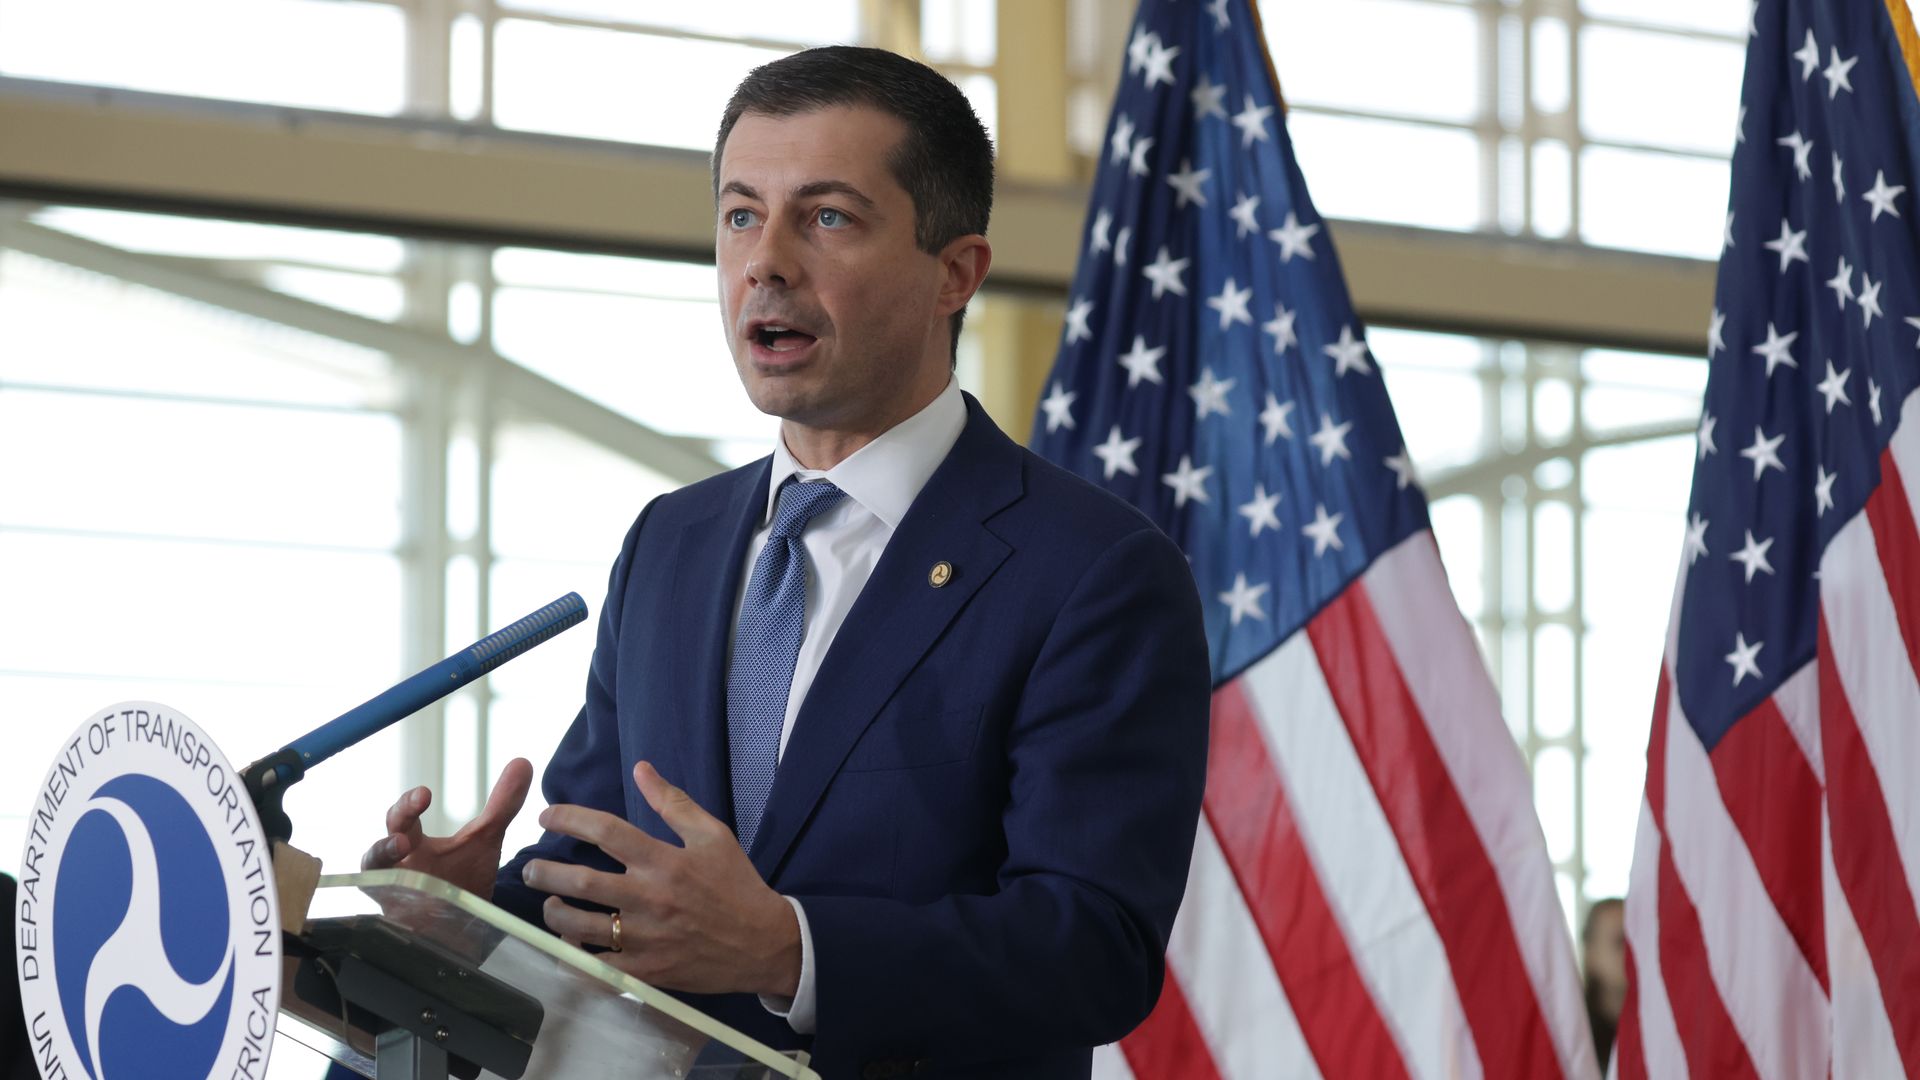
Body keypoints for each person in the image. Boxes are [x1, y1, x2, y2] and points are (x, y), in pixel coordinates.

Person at [363, 45, 1211, 1078]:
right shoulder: (670, 545)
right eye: (738, 215)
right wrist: (464, 910)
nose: (765, 261)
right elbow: (604, 876)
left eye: (826, 218)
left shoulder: (1092, 571)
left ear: (957, 273)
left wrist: (791, 952)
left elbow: (1094, 949)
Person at [1582, 897, 1627, 1068]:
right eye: (1620, 941)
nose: (1631, 952)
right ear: (1591, 954)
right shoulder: (1576, 1035)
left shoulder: (1663, 1023)